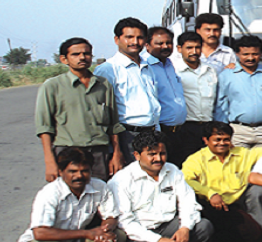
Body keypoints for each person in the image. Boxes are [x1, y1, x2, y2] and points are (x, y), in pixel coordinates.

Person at [14, 148, 127, 242]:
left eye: (84, 171)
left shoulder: (99, 186)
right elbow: (40, 233)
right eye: (72, 171)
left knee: (117, 235)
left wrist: (106, 228)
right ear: (61, 172)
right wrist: (87, 233)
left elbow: (111, 215)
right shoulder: (50, 193)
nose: (79, 176)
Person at [109, 130, 213, 242]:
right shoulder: (121, 180)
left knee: (203, 226)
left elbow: (187, 201)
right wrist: (158, 241)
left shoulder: (172, 170)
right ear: (137, 155)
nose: (158, 159)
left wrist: (184, 228)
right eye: (152, 154)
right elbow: (125, 222)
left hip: (166, 226)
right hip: (137, 234)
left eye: (162, 153)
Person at [181, 121, 262, 242]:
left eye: (226, 139)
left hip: (239, 201)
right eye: (217, 140)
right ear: (206, 140)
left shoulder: (242, 153)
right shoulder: (195, 159)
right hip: (214, 206)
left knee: (258, 191)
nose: (222, 143)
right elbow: (186, 180)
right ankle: (219, 241)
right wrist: (210, 193)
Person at [35, 38, 124, 182]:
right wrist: (50, 161)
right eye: (76, 54)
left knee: (99, 193)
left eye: (87, 54)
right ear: (64, 59)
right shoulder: (52, 86)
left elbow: (113, 125)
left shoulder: (103, 85)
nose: (82, 57)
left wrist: (116, 154)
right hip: (67, 151)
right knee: (69, 196)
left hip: (98, 152)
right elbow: (45, 128)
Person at [95, 18, 160, 165]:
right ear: (117, 39)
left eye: (140, 38)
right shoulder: (108, 69)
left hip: (151, 132)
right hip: (126, 135)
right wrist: (115, 150)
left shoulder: (148, 67)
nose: (135, 42)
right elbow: (104, 113)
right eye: (129, 37)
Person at [214, 35, 262, 148]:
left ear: (261, 53)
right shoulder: (226, 76)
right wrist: (223, 133)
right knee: (237, 165)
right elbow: (221, 107)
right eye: (245, 54)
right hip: (237, 132)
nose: (250, 58)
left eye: (255, 54)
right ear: (237, 54)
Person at [145, 27, 188, 166]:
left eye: (168, 43)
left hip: (180, 132)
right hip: (161, 132)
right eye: (159, 43)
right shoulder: (146, 67)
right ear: (147, 45)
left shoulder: (169, 64)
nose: (165, 46)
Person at [173, 31, 218, 162]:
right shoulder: (174, 71)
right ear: (179, 49)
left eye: (197, 47)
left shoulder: (210, 70)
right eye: (189, 48)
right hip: (186, 128)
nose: (194, 51)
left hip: (208, 127)